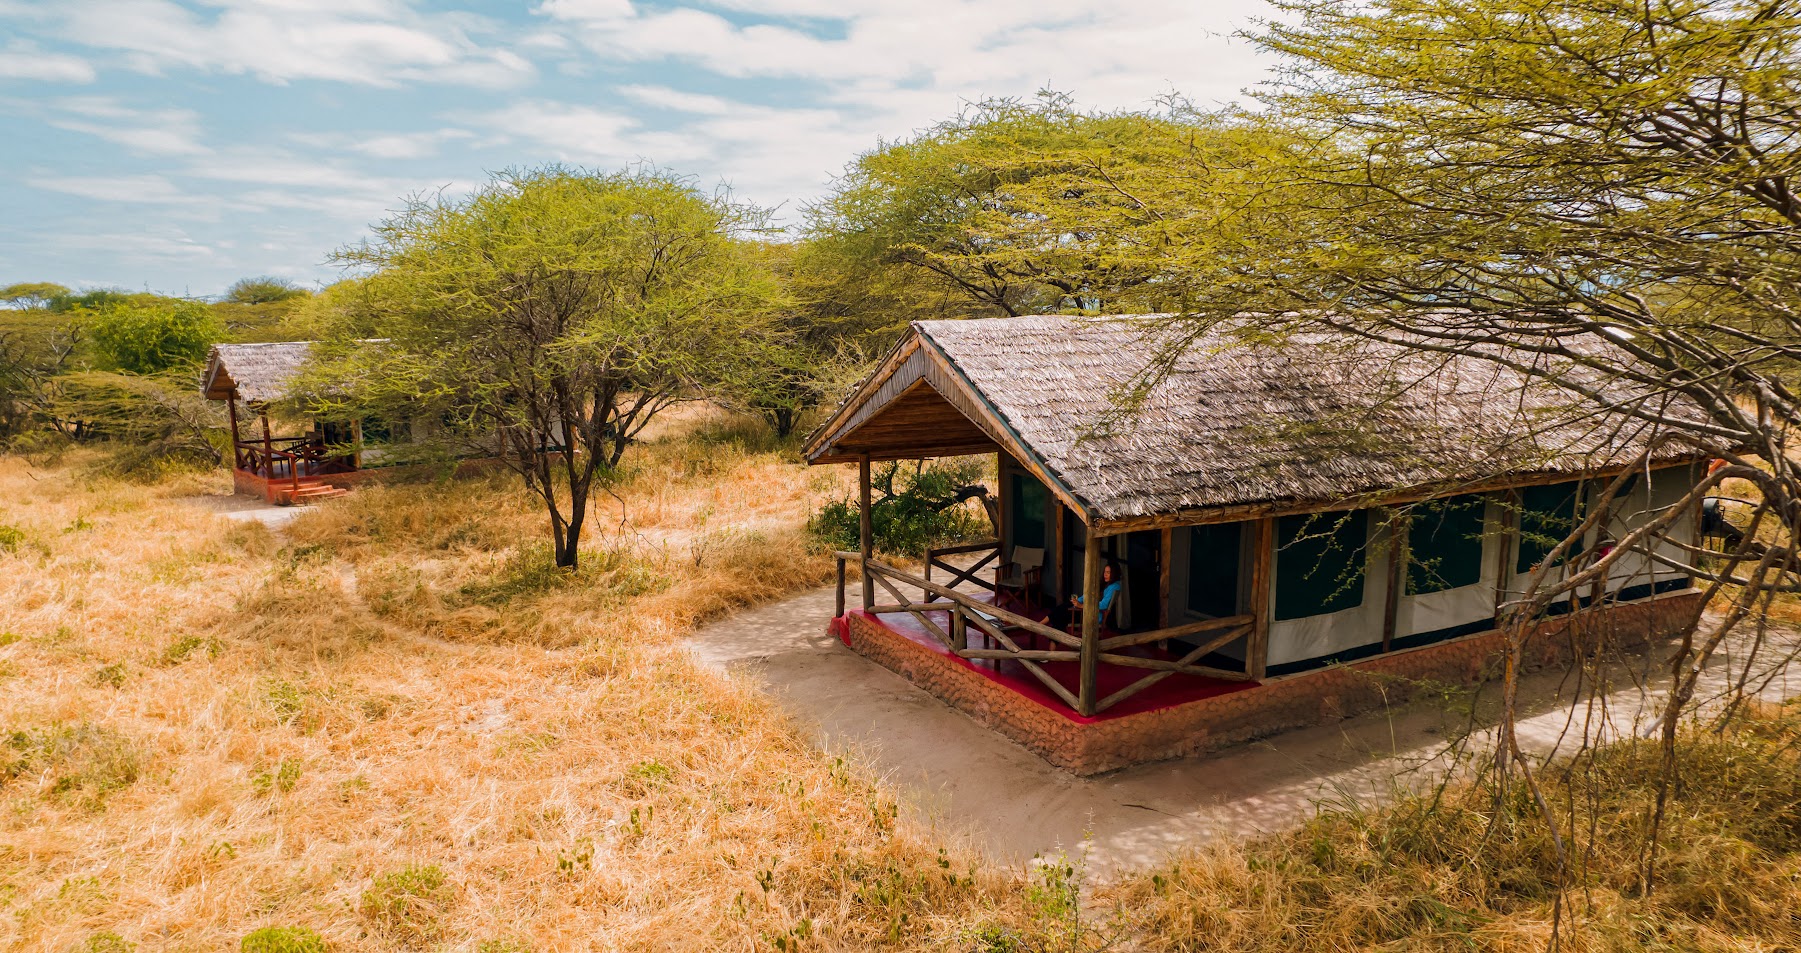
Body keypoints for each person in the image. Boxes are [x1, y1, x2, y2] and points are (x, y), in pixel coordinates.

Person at [1049, 559, 1123, 632]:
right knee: (1064, 609)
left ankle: (1046, 629)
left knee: (1062, 613)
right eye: (1104, 572)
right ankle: (1047, 628)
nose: (1105, 575)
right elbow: (1088, 596)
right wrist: (1077, 601)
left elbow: (1104, 605)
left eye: (1108, 572)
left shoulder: (1114, 586)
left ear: (1114, 574)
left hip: (1093, 615)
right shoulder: (1106, 584)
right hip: (1088, 611)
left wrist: (1082, 606)